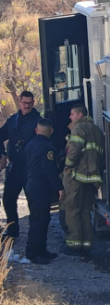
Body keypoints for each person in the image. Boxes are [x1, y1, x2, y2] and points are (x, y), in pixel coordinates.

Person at [62, 104, 104, 254]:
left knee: (72, 210)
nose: (70, 117)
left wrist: (68, 166)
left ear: (80, 115)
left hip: (77, 176)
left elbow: (74, 151)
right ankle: (87, 244)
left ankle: (74, 245)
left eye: (72, 114)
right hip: (91, 178)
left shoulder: (79, 128)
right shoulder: (96, 130)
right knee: (86, 211)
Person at [0, 91, 42, 238]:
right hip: (15, 167)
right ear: (19, 102)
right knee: (8, 199)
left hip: (31, 168)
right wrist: (2, 153)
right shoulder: (13, 120)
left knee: (34, 202)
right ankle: (12, 230)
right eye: (24, 103)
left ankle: (35, 234)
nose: (27, 106)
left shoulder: (39, 121)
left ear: (33, 103)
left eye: (30, 103)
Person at [24, 119, 63, 264]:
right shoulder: (47, 148)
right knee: (39, 220)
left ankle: (41, 250)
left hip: (31, 185)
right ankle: (33, 253)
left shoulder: (30, 145)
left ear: (36, 130)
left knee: (41, 219)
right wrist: (59, 187)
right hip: (40, 188)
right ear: (51, 131)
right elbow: (49, 171)